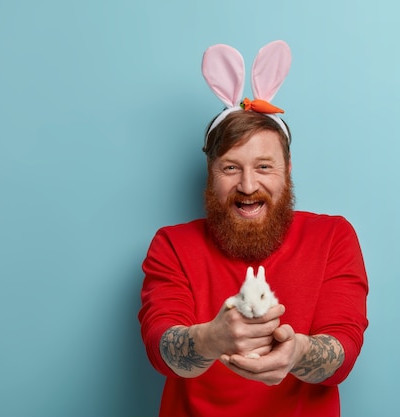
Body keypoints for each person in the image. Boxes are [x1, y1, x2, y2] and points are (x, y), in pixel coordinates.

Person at [138, 41, 368, 417]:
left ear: (287, 171)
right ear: (211, 175)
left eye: (264, 166)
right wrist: (212, 339)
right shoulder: (172, 245)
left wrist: (297, 352)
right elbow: (161, 349)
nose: (247, 185)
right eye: (231, 168)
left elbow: (342, 351)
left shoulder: (332, 239)